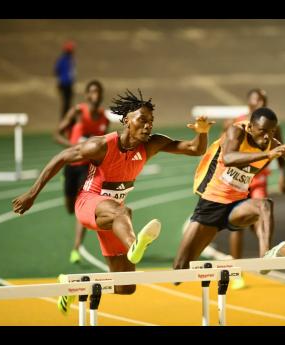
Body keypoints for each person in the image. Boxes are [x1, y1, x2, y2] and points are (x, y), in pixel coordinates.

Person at [12, 89, 215, 314]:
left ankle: (72, 285)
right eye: (143, 120)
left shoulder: (151, 144)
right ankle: (135, 246)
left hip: (115, 220)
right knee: (123, 211)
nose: (148, 126)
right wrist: (32, 194)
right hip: (89, 204)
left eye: (151, 121)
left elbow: (195, 149)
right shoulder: (100, 146)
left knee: (125, 286)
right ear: (127, 120)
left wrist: (203, 132)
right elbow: (61, 157)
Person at [173, 107, 285, 278]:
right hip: (211, 203)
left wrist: (274, 157)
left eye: (272, 131)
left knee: (265, 205)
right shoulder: (236, 132)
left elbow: (255, 169)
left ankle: (266, 257)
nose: (267, 136)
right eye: (262, 131)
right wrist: (267, 155)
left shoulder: (271, 145)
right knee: (180, 269)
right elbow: (229, 159)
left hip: (236, 205)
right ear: (251, 128)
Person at [224, 88, 285, 289]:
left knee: (263, 212)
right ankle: (236, 271)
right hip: (237, 180)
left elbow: (281, 151)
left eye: (264, 101)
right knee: (239, 225)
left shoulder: (273, 126)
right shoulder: (236, 123)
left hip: (259, 179)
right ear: (249, 105)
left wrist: (283, 176)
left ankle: (266, 255)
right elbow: (224, 150)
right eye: (257, 101)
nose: (261, 104)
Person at [53, 79, 109, 264]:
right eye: (92, 92)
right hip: (72, 165)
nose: (96, 95)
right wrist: (74, 148)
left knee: (81, 206)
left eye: (99, 92)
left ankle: (76, 249)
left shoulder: (104, 119)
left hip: (88, 168)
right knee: (70, 207)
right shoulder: (78, 112)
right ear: (87, 95)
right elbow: (57, 133)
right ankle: (67, 188)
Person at [54, 40, 76, 119]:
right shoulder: (66, 59)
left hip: (65, 83)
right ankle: (65, 118)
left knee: (67, 102)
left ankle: (66, 117)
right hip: (66, 83)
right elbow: (57, 69)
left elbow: (56, 70)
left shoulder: (65, 59)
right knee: (67, 102)